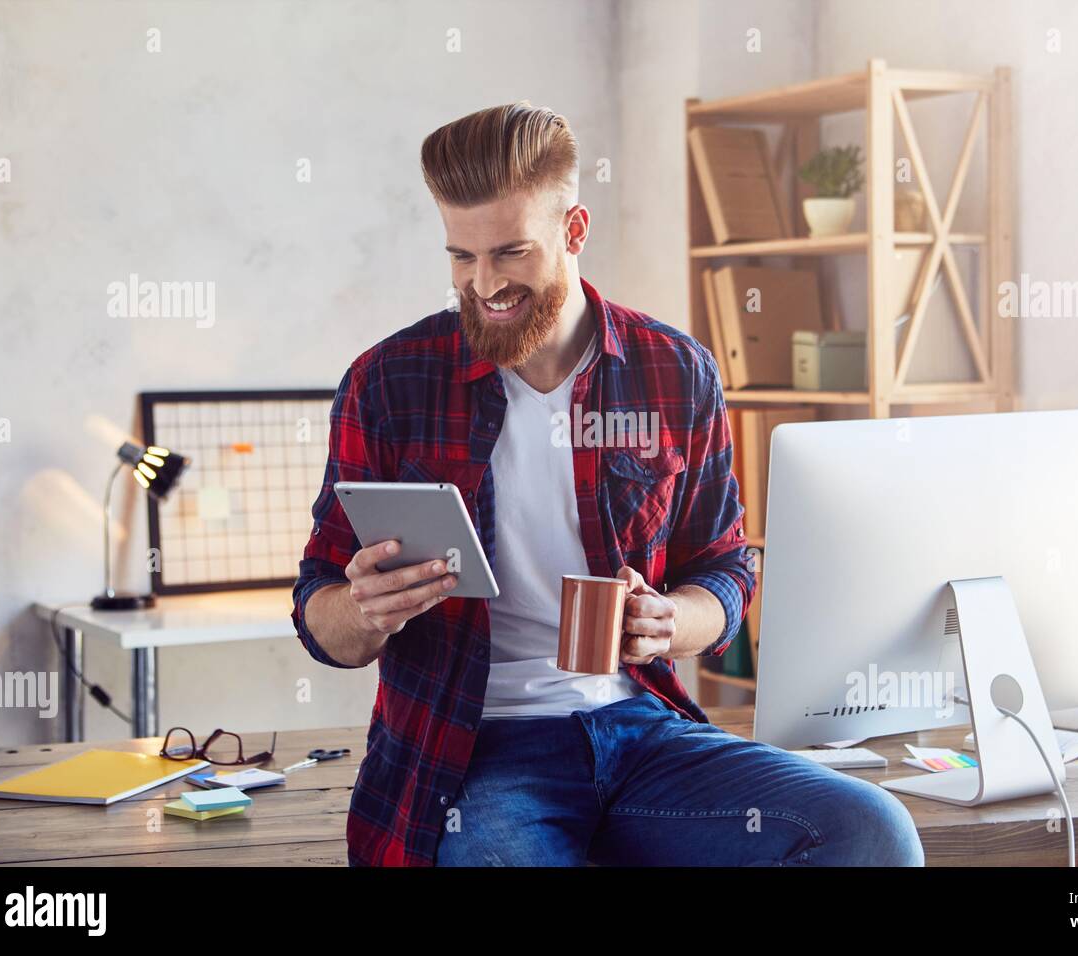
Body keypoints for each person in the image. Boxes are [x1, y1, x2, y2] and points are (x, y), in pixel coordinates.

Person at [292, 102, 924, 867]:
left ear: (575, 231)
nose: (483, 285)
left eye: (511, 254)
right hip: (477, 752)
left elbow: (726, 570)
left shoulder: (674, 371)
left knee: (870, 832)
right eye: (462, 257)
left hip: (643, 730)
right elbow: (319, 611)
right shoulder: (389, 382)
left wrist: (668, 623)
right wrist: (363, 610)